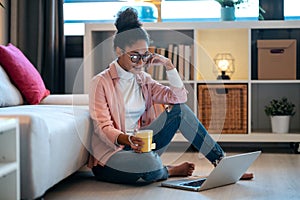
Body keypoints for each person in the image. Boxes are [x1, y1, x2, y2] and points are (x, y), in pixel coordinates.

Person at [87, 7, 252, 185]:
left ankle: (221, 163)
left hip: (142, 148)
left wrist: (169, 66)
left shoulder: (143, 80)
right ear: (119, 51)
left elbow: (179, 98)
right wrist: (128, 139)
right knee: (148, 163)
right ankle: (167, 170)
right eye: (135, 57)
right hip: (112, 155)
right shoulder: (100, 83)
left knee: (179, 110)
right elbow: (103, 128)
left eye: (145, 56)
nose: (141, 62)